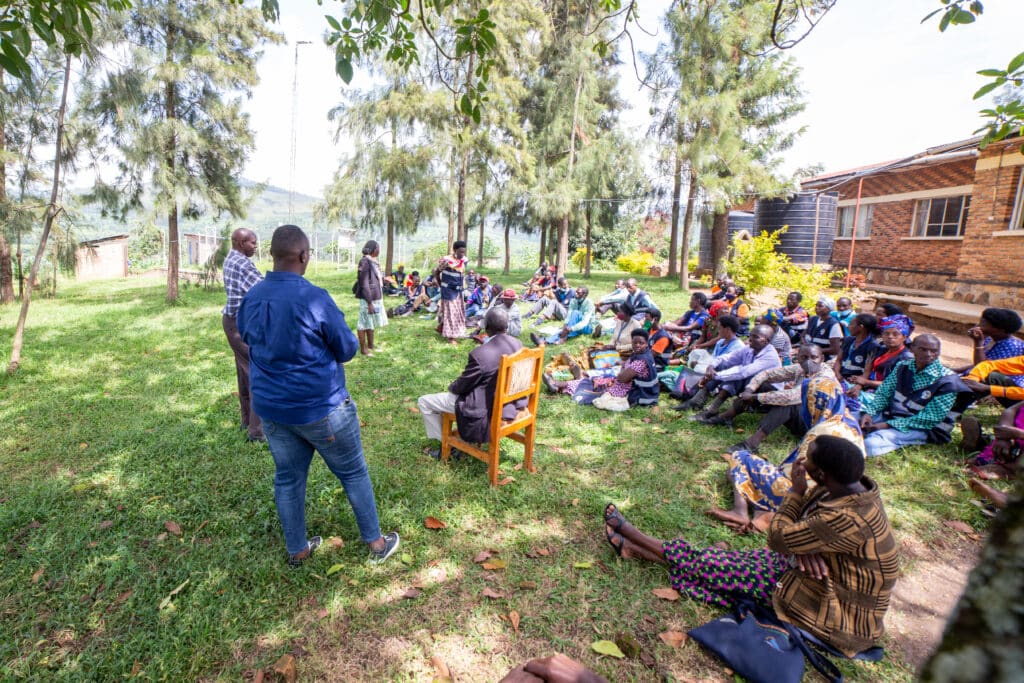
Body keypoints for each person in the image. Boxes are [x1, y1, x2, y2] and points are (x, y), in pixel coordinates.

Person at [602, 433, 898, 658]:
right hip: (811, 576)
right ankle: (635, 550)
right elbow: (797, 534)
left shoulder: (846, 516)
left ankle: (634, 537)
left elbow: (778, 538)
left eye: (808, 459)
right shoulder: (849, 489)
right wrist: (805, 546)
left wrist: (795, 494)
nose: (801, 461)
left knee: (716, 567)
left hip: (832, 611)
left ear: (820, 474)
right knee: (728, 565)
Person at [237, 225, 399, 567]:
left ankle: (297, 549)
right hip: (321, 408)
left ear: (272, 255)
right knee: (353, 471)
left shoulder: (252, 296)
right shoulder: (314, 297)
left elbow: (249, 339)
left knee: (288, 478)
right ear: (304, 256)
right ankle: (376, 543)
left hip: (273, 410)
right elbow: (347, 349)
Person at [709, 354, 863, 532]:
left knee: (739, 458)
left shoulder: (821, 434)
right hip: (832, 505)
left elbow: (797, 474)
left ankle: (741, 510)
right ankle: (761, 511)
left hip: (802, 501)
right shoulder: (850, 424)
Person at [417, 308, 527, 458]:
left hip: (486, 408)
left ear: (486, 326)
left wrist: (451, 388)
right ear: (506, 325)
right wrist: (487, 343)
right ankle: (450, 442)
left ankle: (448, 445)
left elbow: (462, 386)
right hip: (509, 403)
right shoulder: (518, 344)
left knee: (424, 402)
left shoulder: (480, 354)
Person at [858, 334, 969, 456]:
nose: (928, 354)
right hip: (892, 415)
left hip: (925, 428)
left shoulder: (948, 381)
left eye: (934, 351)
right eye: (923, 349)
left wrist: (885, 425)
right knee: (852, 419)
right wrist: (869, 413)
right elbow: (884, 393)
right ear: (912, 349)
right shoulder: (903, 366)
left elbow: (930, 418)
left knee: (870, 444)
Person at [699, 344, 832, 432]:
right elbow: (767, 374)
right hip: (801, 413)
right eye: (804, 357)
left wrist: (755, 397)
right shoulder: (800, 368)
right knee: (759, 383)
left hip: (814, 424)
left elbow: (793, 396)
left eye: (813, 357)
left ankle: (752, 442)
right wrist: (750, 389)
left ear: (822, 358)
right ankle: (725, 416)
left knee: (787, 403)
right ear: (797, 358)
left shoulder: (823, 377)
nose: (809, 361)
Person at [675, 324, 781, 416]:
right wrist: (711, 366)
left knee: (738, 377)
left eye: (755, 337)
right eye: (750, 335)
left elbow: (743, 372)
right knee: (722, 366)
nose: (749, 339)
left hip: (768, 390)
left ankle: (712, 409)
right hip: (751, 383)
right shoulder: (750, 348)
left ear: (766, 341)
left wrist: (715, 376)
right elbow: (727, 358)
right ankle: (698, 400)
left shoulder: (770, 356)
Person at [221, 227, 265, 442]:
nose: (255, 247)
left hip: (232, 322)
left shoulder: (231, 258)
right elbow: (265, 289)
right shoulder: (242, 263)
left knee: (244, 372)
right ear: (241, 243)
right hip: (241, 325)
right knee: (258, 373)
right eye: (253, 243)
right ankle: (257, 432)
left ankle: (247, 419)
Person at [544, 329, 659, 407]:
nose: (637, 345)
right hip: (635, 387)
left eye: (641, 343)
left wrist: (622, 368)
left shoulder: (641, 361)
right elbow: (627, 367)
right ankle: (556, 384)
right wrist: (621, 364)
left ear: (646, 343)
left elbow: (622, 378)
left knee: (597, 384)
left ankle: (557, 384)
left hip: (634, 392)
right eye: (635, 343)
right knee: (596, 379)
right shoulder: (644, 354)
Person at [962, 401, 1024, 478]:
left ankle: (1007, 469)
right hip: (1012, 442)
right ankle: (985, 453)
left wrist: (1018, 434)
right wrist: (1005, 434)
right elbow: (1010, 411)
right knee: (997, 446)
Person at [530, 286, 596, 346]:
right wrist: (565, 326)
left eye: (578, 293)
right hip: (577, 325)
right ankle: (545, 341)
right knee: (563, 331)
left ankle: (563, 339)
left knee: (575, 313)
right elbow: (569, 315)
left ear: (584, 295)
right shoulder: (574, 301)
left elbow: (585, 322)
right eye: (576, 292)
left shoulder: (589, 303)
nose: (576, 294)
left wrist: (571, 328)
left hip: (587, 327)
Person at [960, 307, 1024, 368]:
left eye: (983, 324)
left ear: (1000, 329)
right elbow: (978, 362)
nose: (978, 325)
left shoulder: (1011, 347)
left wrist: (978, 343)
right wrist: (955, 370)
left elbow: (983, 368)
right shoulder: (991, 338)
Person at [355, 240, 387, 356]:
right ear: (372, 249)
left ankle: (371, 346)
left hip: (375, 296)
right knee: (363, 323)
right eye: (378, 248)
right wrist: (369, 302)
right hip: (368, 298)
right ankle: (364, 349)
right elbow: (364, 283)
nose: (379, 250)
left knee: (371, 321)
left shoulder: (373, 261)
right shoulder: (364, 261)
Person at [434, 241, 468, 344]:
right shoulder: (446, 260)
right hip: (448, 290)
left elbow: (461, 274)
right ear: (455, 250)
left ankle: (441, 327)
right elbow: (437, 272)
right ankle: (451, 337)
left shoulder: (464, 260)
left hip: (458, 291)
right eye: (460, 252)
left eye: (464, 252)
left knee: (457, 311)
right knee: (451, 312)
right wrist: (441, 285)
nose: (462, 254)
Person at [802, 296, 843, 360]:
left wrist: (814, 351)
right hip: (808, 356)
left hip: (825, 359)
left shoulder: (833, 324)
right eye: (816, 305)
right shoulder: (812, 319)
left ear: (829, 309)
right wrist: (805, 347)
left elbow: (835, 349)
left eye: (820, 306)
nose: (816, 308)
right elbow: (803, 336)